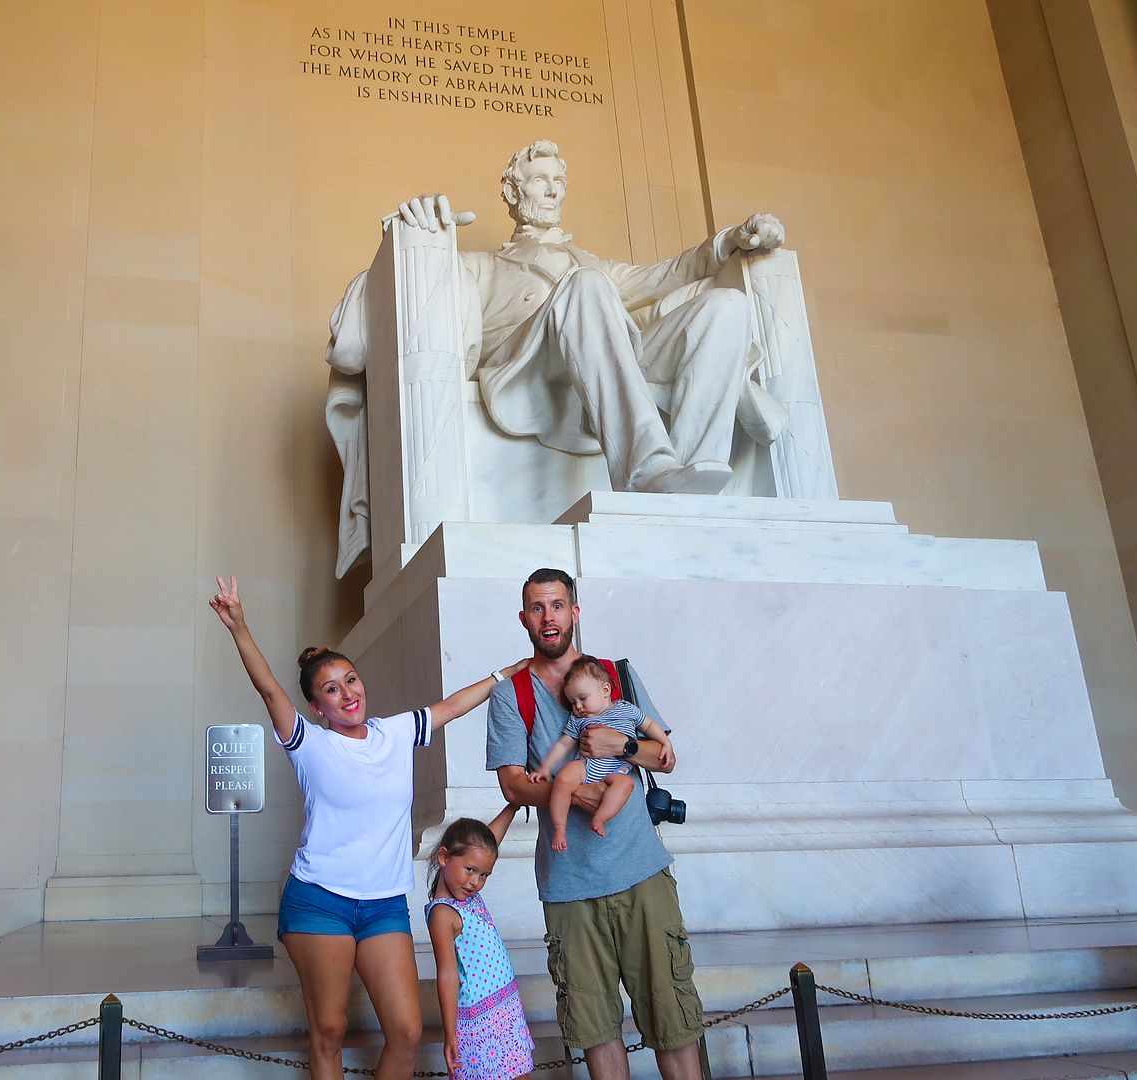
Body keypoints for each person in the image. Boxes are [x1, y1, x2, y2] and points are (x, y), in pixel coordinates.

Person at [325, 138, 789, 576]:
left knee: (726, 307)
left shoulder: (591, 262)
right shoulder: (483, 264)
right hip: (527, 367)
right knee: (586, 284)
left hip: (603, 360)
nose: (552, 190)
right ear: (512, 191)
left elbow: (666, 274)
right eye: (538, 179)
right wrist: (415, 225)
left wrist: (730, 242)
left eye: (558, 181)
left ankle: (688, 477)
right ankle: (647, 468)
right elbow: (393, 298)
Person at [209, 574, 529, 1080]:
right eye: (330, 690)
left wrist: (503, 673)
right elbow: (268, 686)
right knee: (330, 1032)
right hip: (319, 900)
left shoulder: (396, 732)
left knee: (405, 1031)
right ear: (317, 707)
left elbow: (451, 706)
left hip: (383, 903)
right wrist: (239, 627)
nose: (346, 693)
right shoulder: (309, 742)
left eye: (350, 680)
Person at [486, 568, 705, 1080]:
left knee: (672, 1012)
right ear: (524, 619)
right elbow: (514, 785)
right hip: (569, 885)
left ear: (574, 612)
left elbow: (663, 757)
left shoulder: (616, 674)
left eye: (557, 605)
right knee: (595, 1028)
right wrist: (577, 792)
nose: (548, 617)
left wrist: (622, 747)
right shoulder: (511, 694)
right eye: (537, 608)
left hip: (641, 871)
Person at [425, 807, 536, 1080]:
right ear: (444, 857)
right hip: (479, 1022)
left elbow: (488, 843)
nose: (476, 882)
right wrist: (450, 1034)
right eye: (470, 870)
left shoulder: (465, 894)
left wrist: (514, 804)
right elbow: (448, 974)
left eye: (484, 875)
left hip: (505, 1011)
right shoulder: (443, 913)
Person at [530, 655, 674, 850]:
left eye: (582, 698)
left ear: (605, 690)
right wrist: (545, 768)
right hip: (586, 766)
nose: (578, 706)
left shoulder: (626, 709)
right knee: (563, 778)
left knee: (625, 784)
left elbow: (648, 724)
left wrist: (666, 743)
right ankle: (560, 827)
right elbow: (564, 744)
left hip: (616, 769)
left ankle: (600, 818)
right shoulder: (578, 719)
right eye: (573, 702)